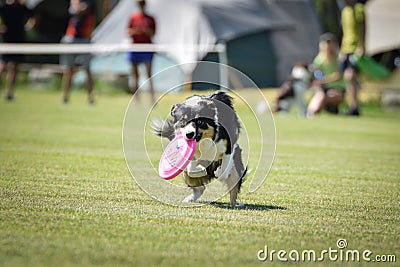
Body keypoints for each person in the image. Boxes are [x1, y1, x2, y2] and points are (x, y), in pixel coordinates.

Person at [60, 0, 96, 104]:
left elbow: (79, 10)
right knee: (68, 69)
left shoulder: (90, 3)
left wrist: (77, 7)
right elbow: (74, 10)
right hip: (71, 38)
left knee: (87, 69)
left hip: (85, 39)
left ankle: (90, 98)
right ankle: (65, 97)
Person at [0, 0, 34, 101]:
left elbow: (33, 17)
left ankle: (9, 93)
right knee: (2, 66)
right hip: (6, 40)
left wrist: (28, 27)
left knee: (15, 67)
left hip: (19, 39)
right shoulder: (4, 7)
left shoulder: (22, 8)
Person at [307, 33, 346, 117]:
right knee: (320, 95)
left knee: (326, 96)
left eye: (329, 43)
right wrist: (318, 81)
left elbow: (338, 75)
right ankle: (310, 112)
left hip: (337, 89)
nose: (328, 46)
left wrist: (323, 81)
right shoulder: (319, 59)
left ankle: (314, 111)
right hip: (324, 88)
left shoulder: (339, 58)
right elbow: (316, 72)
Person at [339, 0, 366, 116]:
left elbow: (364, 28)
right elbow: (344, 32)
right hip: (346, 49)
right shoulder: (345, 11)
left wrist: (362, 46)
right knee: (348, 79)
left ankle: (354, 106)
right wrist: (342, 49)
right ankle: (353, 106)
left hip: (356, 48)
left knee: (350, 77)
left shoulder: (359, 8)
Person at [127, 0, 156, 103]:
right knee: (135, 75)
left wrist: (145, 30)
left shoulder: (150, 18)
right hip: (135, 48)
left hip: (147, 48)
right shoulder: (133, 17)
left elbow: (153, 33)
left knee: (149, 75)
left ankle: (152, 99)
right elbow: (128, 32)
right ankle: (136, 100)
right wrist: (135, 31)